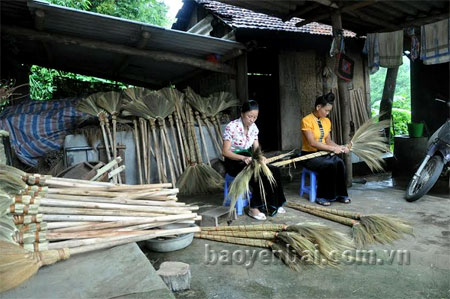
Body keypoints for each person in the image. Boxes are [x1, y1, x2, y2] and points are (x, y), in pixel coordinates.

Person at [222, 100, 286, 220]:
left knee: (274, 170)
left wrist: (260, 157)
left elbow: (256, 148)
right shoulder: (232, 127)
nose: (252, 120)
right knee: (258, 173)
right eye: (249, 116)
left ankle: (275, 203)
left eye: (255, 117)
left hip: (249, 158)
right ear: (242, 114)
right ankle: (254, 207)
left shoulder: (254, 127)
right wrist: (243, 157)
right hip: (234, 161)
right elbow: (225, 152)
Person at [300, 92, 351, 206]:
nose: (327, 113)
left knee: (339, 163)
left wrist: (340, 147)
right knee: (328, 165)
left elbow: (328, 141)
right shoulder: (306, 120)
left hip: (323, 153)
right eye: (326, 110)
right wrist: (332, 150)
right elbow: (312, 143)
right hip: (309, 155)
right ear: (318, 107)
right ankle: (322, 196)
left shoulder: (326, 121)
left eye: (329, 111)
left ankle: (340, 194)